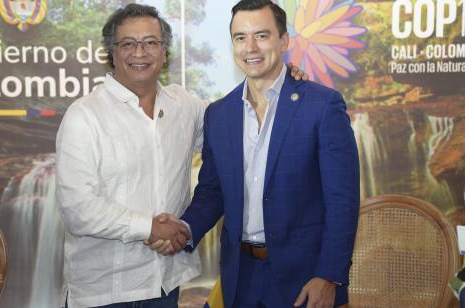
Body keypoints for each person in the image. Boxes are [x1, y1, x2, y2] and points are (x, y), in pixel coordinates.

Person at [55, 3, 308, 308]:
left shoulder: (185, 107)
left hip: (166, 286)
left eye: (151, 42)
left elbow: (238, 126)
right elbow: (78, 208)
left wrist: (283, 77)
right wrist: (149, 227)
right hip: (105, 292)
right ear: (111, 52)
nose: (140, 52)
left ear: (165, 52)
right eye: (128, 44)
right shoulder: (84, 116)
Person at [155, 0, 360, 307]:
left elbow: (342, 202)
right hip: (240, 277)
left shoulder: (322, 106)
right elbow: (213, 192)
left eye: (262, 35)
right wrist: (184, 229)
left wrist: (330, 276)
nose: (250, 47)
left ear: (284, 40)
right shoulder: (219, 114)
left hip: (306, 280)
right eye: (240, 37)